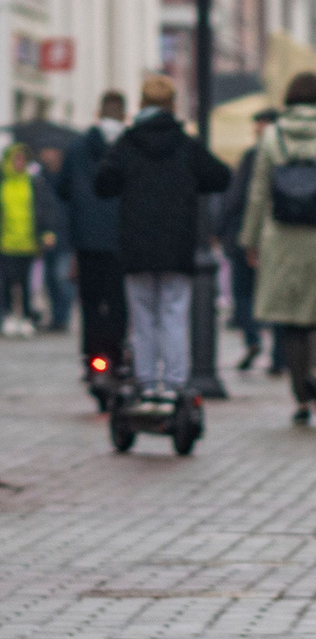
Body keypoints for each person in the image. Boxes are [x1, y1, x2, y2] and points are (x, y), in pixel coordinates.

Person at [96, 75, 231, 398]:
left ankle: (145, 382)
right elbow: (221, 177)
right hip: (176, 243)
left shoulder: (127, 143)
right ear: (173, 105)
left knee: (142, 318)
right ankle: (174, 384)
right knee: (174, 314)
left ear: (141, 104)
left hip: (136, 244)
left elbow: (102, 184)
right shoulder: (185, 143)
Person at [241, 73, 316, 426]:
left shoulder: (271, 139)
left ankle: (301, 401)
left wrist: (250, 240)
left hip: (280, 238)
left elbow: (257, 194)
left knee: (291, 320)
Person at [61, 92, 127, 371]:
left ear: (99, 114)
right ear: (124, 114)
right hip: (121, 237)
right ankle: (116, 354)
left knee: (90, 302)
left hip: (86, 239)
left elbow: (63, 189)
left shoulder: (77, 148)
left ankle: (93, 358)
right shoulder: (128, 146)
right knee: (117, 301)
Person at [216, 107, 281, 373]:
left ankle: (253, 338)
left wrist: (220, 229)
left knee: (243, 293)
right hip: (278, 237)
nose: (256, 131)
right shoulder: (287, 155)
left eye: (259, 126)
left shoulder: (254, 156)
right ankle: (280, 356)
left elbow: (235, 197)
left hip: (247, 237)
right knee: (276, 298)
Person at [0, 144, 45, 336]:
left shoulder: (34, 182)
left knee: (27, 283)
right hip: (6, 242)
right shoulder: (4, 183)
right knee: (7, 282)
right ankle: (8, 315)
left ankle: (26, 316)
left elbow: (43, 208)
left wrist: (45, 232)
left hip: (28, 242)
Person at [34, 146, 72, 333]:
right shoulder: (39, 179)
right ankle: (56, 317)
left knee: (61, 278)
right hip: (47, 234)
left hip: (65, 235)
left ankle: (62, 317)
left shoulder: (66, 177)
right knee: (49, 279)